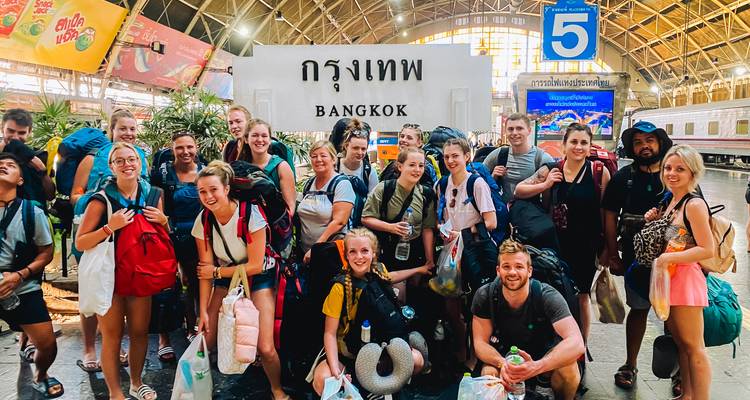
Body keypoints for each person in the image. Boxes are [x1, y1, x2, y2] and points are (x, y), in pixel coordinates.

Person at [76, 142, 169, 400]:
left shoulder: (153, 195)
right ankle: (115, 392)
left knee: (140, 332)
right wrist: (110, 227)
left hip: (141, 274)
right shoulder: (100, 200)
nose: (127, 164)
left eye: (132, 159)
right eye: (120, 161)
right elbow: (80, 242)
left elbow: (161, 236)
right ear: (112, 166)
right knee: (112, 335)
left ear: (140, 164)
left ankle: (136, 383)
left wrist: (164, 221)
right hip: (110, 277)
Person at [192, 161, 289, 400]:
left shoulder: (250, 213)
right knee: (204, 339)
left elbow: (254, 265)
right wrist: (203, 311)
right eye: (202, 191)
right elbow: (204, 270)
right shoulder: (203, 220)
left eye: (213, 189)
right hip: (227, 277)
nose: (208, 196)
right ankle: (198, 391)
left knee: (265, 346)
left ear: (226, 189)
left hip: (259, 277)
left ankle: (277, 391)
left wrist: (215, 273)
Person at [515, 123, 610, 346]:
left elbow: (606, 212)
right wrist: (546, 184)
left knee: (582, 296)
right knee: (553, 291)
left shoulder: (598, 172)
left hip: (586, 246)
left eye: (583, 143)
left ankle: (579, 348)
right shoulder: (551, 169)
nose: (578, 147)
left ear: (589, 147)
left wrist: (608, 247)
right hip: (553, 244)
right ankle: (552, 343)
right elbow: (520, 190)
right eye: (574, 142)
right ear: (564, 145)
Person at [311, 228, 430, 395]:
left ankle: (382, 390)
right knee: (323, 379)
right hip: (349, 354)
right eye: (353, 252)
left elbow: (392, 276)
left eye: (364, 251)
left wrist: (418, 270)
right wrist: (335, 367)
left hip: (380, 350)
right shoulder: (339, 289)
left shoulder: (379, 270)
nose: (359, 257)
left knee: (416, 360)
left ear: (374, 253)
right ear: (346, 255)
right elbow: (329, 334)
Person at [72, 109, 147, 373]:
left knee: (118, 287)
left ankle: (114, 342)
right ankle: (90, 346)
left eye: (132, 129)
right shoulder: (92, 160)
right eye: (122, 128)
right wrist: (100, 202)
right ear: (111, 130)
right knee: (94, 285)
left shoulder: (141, 159)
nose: (128, 133)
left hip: (128, 230)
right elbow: (75, 194)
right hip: (95, 224)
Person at [601, 120, 672, 390]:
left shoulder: (674, 172)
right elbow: (609, 214)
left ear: (659, 143)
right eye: (638, 142)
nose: (644, 146)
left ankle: (678, 372)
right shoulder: (624, 178)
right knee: (639, 309)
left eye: (649, 141)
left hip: (674, 260)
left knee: (674, 316)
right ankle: (630, 365)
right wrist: (612, 252)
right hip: (635, 259)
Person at [471, 239, 584, 400]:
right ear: (498, 270)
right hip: (505, 357)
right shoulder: (485, 295)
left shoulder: (547, 295)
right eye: (506, 267)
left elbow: (577, 342)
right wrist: (503, 363)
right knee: (489, 374)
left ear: (529, 271)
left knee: (569, 369)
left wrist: (537, 367)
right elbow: (480, 343)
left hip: (543, 360)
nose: (512, 272)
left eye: (519, 266)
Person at [646, 145, 713, 400]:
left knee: (694, 348)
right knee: (682, 345)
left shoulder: (694, 204)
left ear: (692, 173)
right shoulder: (673, 201)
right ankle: (687, 395)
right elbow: (680, 239)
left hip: (686, 281)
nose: (671, 173)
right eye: (668, 168)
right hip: (670, 279)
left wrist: (668, 257)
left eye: (679, 169)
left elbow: (707, 249)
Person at [0, 153, 61, 398]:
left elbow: (46, 251)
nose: (3, 166)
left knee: (47, 344)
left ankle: (41, 374)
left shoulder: (31, 213)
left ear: (21, 180)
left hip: (21, 286)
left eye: (10, 165)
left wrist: (20, 275)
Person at [436, 137, 497, 368]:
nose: (451, 160)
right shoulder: (442, 184)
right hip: (451, 252)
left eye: (455, 156)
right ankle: (460, 348)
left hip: (476, 251)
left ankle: (475, 356)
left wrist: (464, 231)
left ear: (467, 157)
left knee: (476, 305)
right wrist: (445, 231)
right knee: (451, 304)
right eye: (447, 156)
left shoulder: (476, 184)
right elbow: (444, 215)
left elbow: (490, 221)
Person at [150, 132, 204, 348]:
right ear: (172, 149)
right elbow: (155, 200)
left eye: (189, 147)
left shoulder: (205, 171)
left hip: (199, 236)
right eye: (180, 147)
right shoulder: (163, 173)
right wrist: (165, 224)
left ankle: (193, 327)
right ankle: (164, 338)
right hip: (168, 233)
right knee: (164, 283)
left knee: (195, 282)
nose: (185, 152)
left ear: (196, 147)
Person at [362, 147, 436, 303]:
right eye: (412, 165)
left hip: (415, 252)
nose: (417, 170)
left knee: (414, 295)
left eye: (421, 166)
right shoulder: (385, 188)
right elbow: (366, 218)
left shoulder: (426, 194)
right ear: (400, 166)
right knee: (396, 295)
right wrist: (391, 227)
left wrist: (429, 260)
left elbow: (427, 229)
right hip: (388, 251)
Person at [298, 140, 355, 264]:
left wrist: (316, 248)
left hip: (331, 253)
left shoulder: (342, 184)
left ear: (333, 160)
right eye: (314, 156)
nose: (318, 159)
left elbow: (340, 222)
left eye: (323, 155)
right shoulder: (309, 184)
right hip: (305, 253)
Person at [482, 113, 554, 202]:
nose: (514, 133)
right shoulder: (499, 154)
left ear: (529, 131)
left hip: (530, 212)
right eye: (510, 129)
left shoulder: (542, 158)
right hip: (504, 212)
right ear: (506, 132)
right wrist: (493, 177)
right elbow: (480, 183)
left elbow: (549, 193)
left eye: (519, 128)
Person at [0, 109, 55, 206]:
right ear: (2, 128)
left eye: (21, 133)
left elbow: (50, 195)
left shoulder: (39, 156)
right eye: (11, 131)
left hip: (32, 216)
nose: (15, 137)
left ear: (29, 132)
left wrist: (41, 169)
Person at [244, 119, 296, 214]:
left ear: (270, 140)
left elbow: (290, 207)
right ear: (246, 139)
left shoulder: (281, 167)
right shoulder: (242, 168)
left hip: (275, 224)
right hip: (248, 225)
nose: (260, 140)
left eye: (264, 136)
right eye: (255, 135)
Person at [336, 119, 379, 193]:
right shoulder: (335, 167)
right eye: (355, 148)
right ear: (346, 146)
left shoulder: (369, 172)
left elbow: (373, 202)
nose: (360, 152)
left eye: (363, 149)